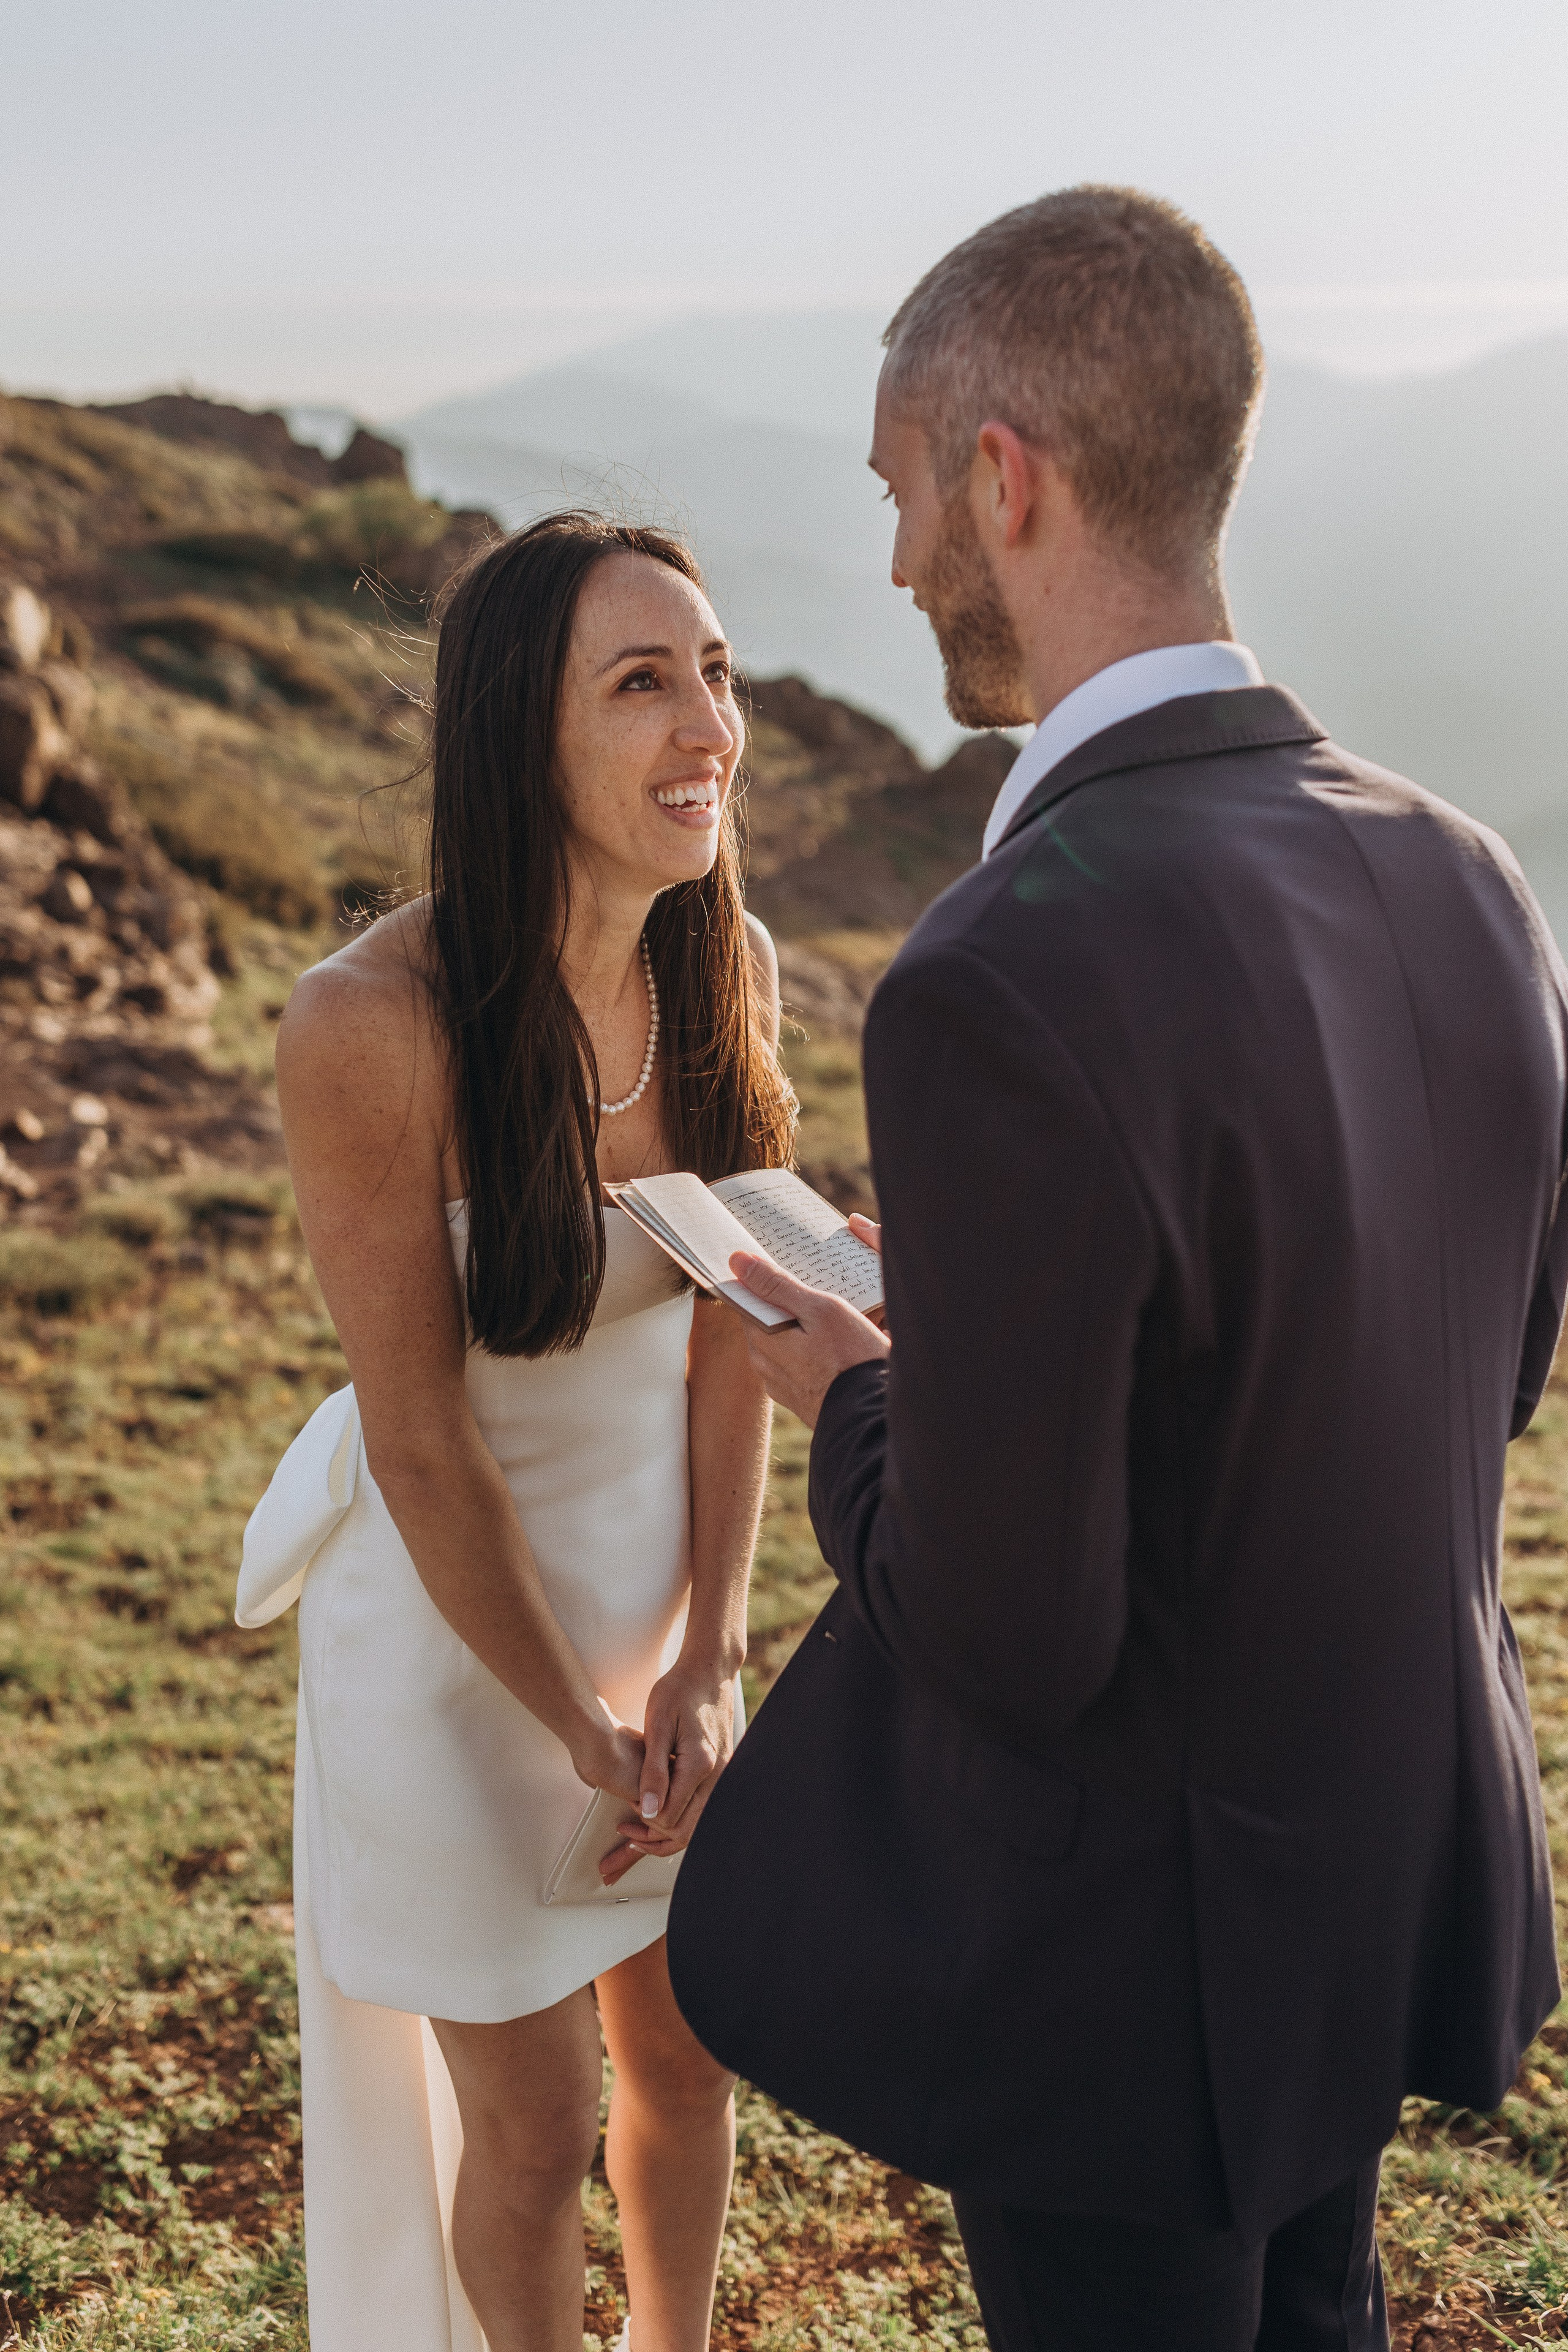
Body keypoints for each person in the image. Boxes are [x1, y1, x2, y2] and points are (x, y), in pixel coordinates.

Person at [666, 187, 1568, 2352]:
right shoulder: (1467, 871)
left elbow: (1008, 1625)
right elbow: (1478, 1362)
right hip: (1383, 1851)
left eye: (901, 494)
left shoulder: (1004, 968)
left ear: (1005, 474)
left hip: (1131, 1973)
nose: (892, 565)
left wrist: (865, 1389)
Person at [266, 513, 794, 2352]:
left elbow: (738, 1336)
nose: (706, 723)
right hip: (454, 1630)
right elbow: (417, 1441)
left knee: (691, 2048)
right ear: (519, 737)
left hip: (658, 1593)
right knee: (539, 2117)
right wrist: (572, 1715)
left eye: (715, 673)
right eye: (643, 683)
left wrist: (704, 1658)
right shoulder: (368, 1028)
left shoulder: (725, 968)